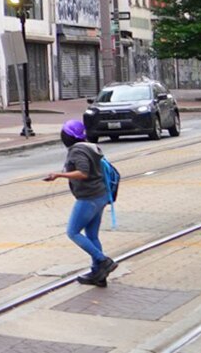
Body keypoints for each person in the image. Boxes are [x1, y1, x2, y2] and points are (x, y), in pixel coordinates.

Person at [42, 118, 114, 285]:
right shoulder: (90, 147)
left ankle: (103, 261)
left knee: (73, 232)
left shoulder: (77, 151)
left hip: (89, 197)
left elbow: (83, 173)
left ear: (68, 137)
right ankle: (99, 274)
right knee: (92, 235)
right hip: (100, 194)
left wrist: (59, 175)